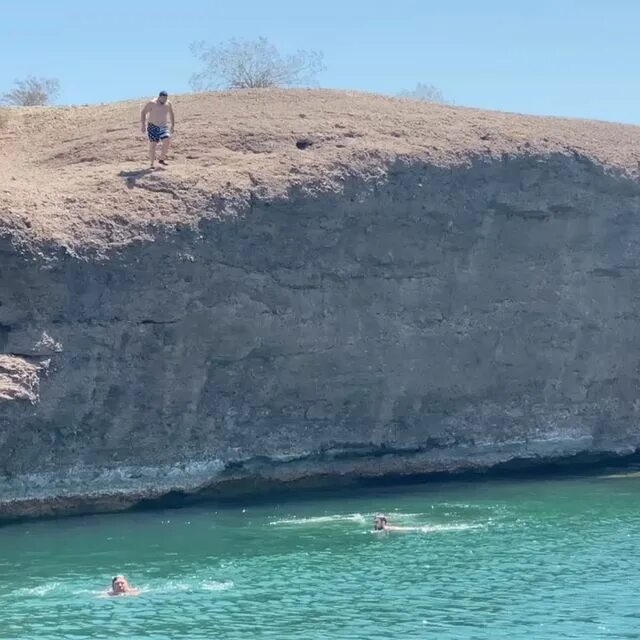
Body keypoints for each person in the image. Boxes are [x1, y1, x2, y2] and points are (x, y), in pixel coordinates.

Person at [140, 90, 175, 168]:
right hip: (153, 126)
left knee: (167, 140)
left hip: (163, 126)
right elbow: (143, 112)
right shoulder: (152, 103)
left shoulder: (168, 104)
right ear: (159, 97)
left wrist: (172, 126)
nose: (164, 100)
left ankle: (161, 159)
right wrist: (143, 125)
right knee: (153, 145)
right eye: (163, 98)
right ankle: (152, 164)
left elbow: (172, 114)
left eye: (166, 99)